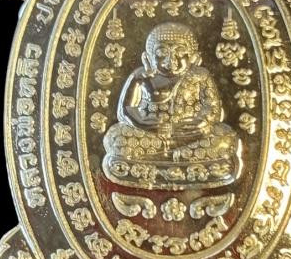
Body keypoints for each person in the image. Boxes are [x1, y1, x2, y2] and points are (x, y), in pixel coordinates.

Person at [102, 22, 240, 190]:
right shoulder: (141, 76)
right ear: (148, 58)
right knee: (116, 138)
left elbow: (212, 109)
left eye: (180, 53)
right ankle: (185, 162)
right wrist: (146, 124)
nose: (171, 60)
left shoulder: (200, 76)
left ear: (194, 57)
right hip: (151, 135)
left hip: (189, 135)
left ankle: (153, 163)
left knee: (225, 138)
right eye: (161, 53)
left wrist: (199, 124)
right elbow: (125, 111)